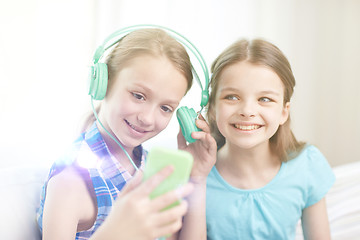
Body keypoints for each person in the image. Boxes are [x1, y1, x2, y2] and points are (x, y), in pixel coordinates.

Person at [37, 28, 216, 240]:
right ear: (103, 83)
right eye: (138, 96)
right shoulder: (70, 182)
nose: (148, 118)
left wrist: (197, 179)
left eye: (166, 108)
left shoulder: (152, 169)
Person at [205, 39, 335, 240]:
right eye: (232, 97)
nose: (247, 111)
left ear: (284, 112)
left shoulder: (307, 165)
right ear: (212, 108)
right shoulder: (194, 174)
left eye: (264, 99)